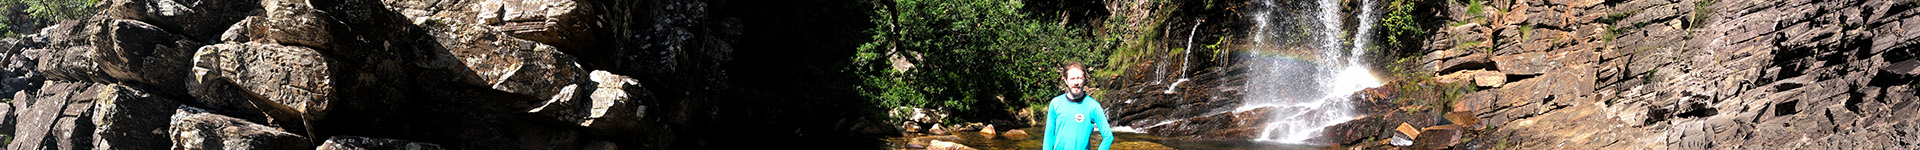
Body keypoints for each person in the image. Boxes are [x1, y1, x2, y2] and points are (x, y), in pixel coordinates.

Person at [1042, 61, 1113, 150]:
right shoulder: (1055, 103)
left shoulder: (1093, 106)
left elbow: (1108, 137)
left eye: (1079, 78)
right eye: (1072, 78)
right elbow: (1049, 135)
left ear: (1084, 80)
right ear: (1066, 80)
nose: (1076, 82)